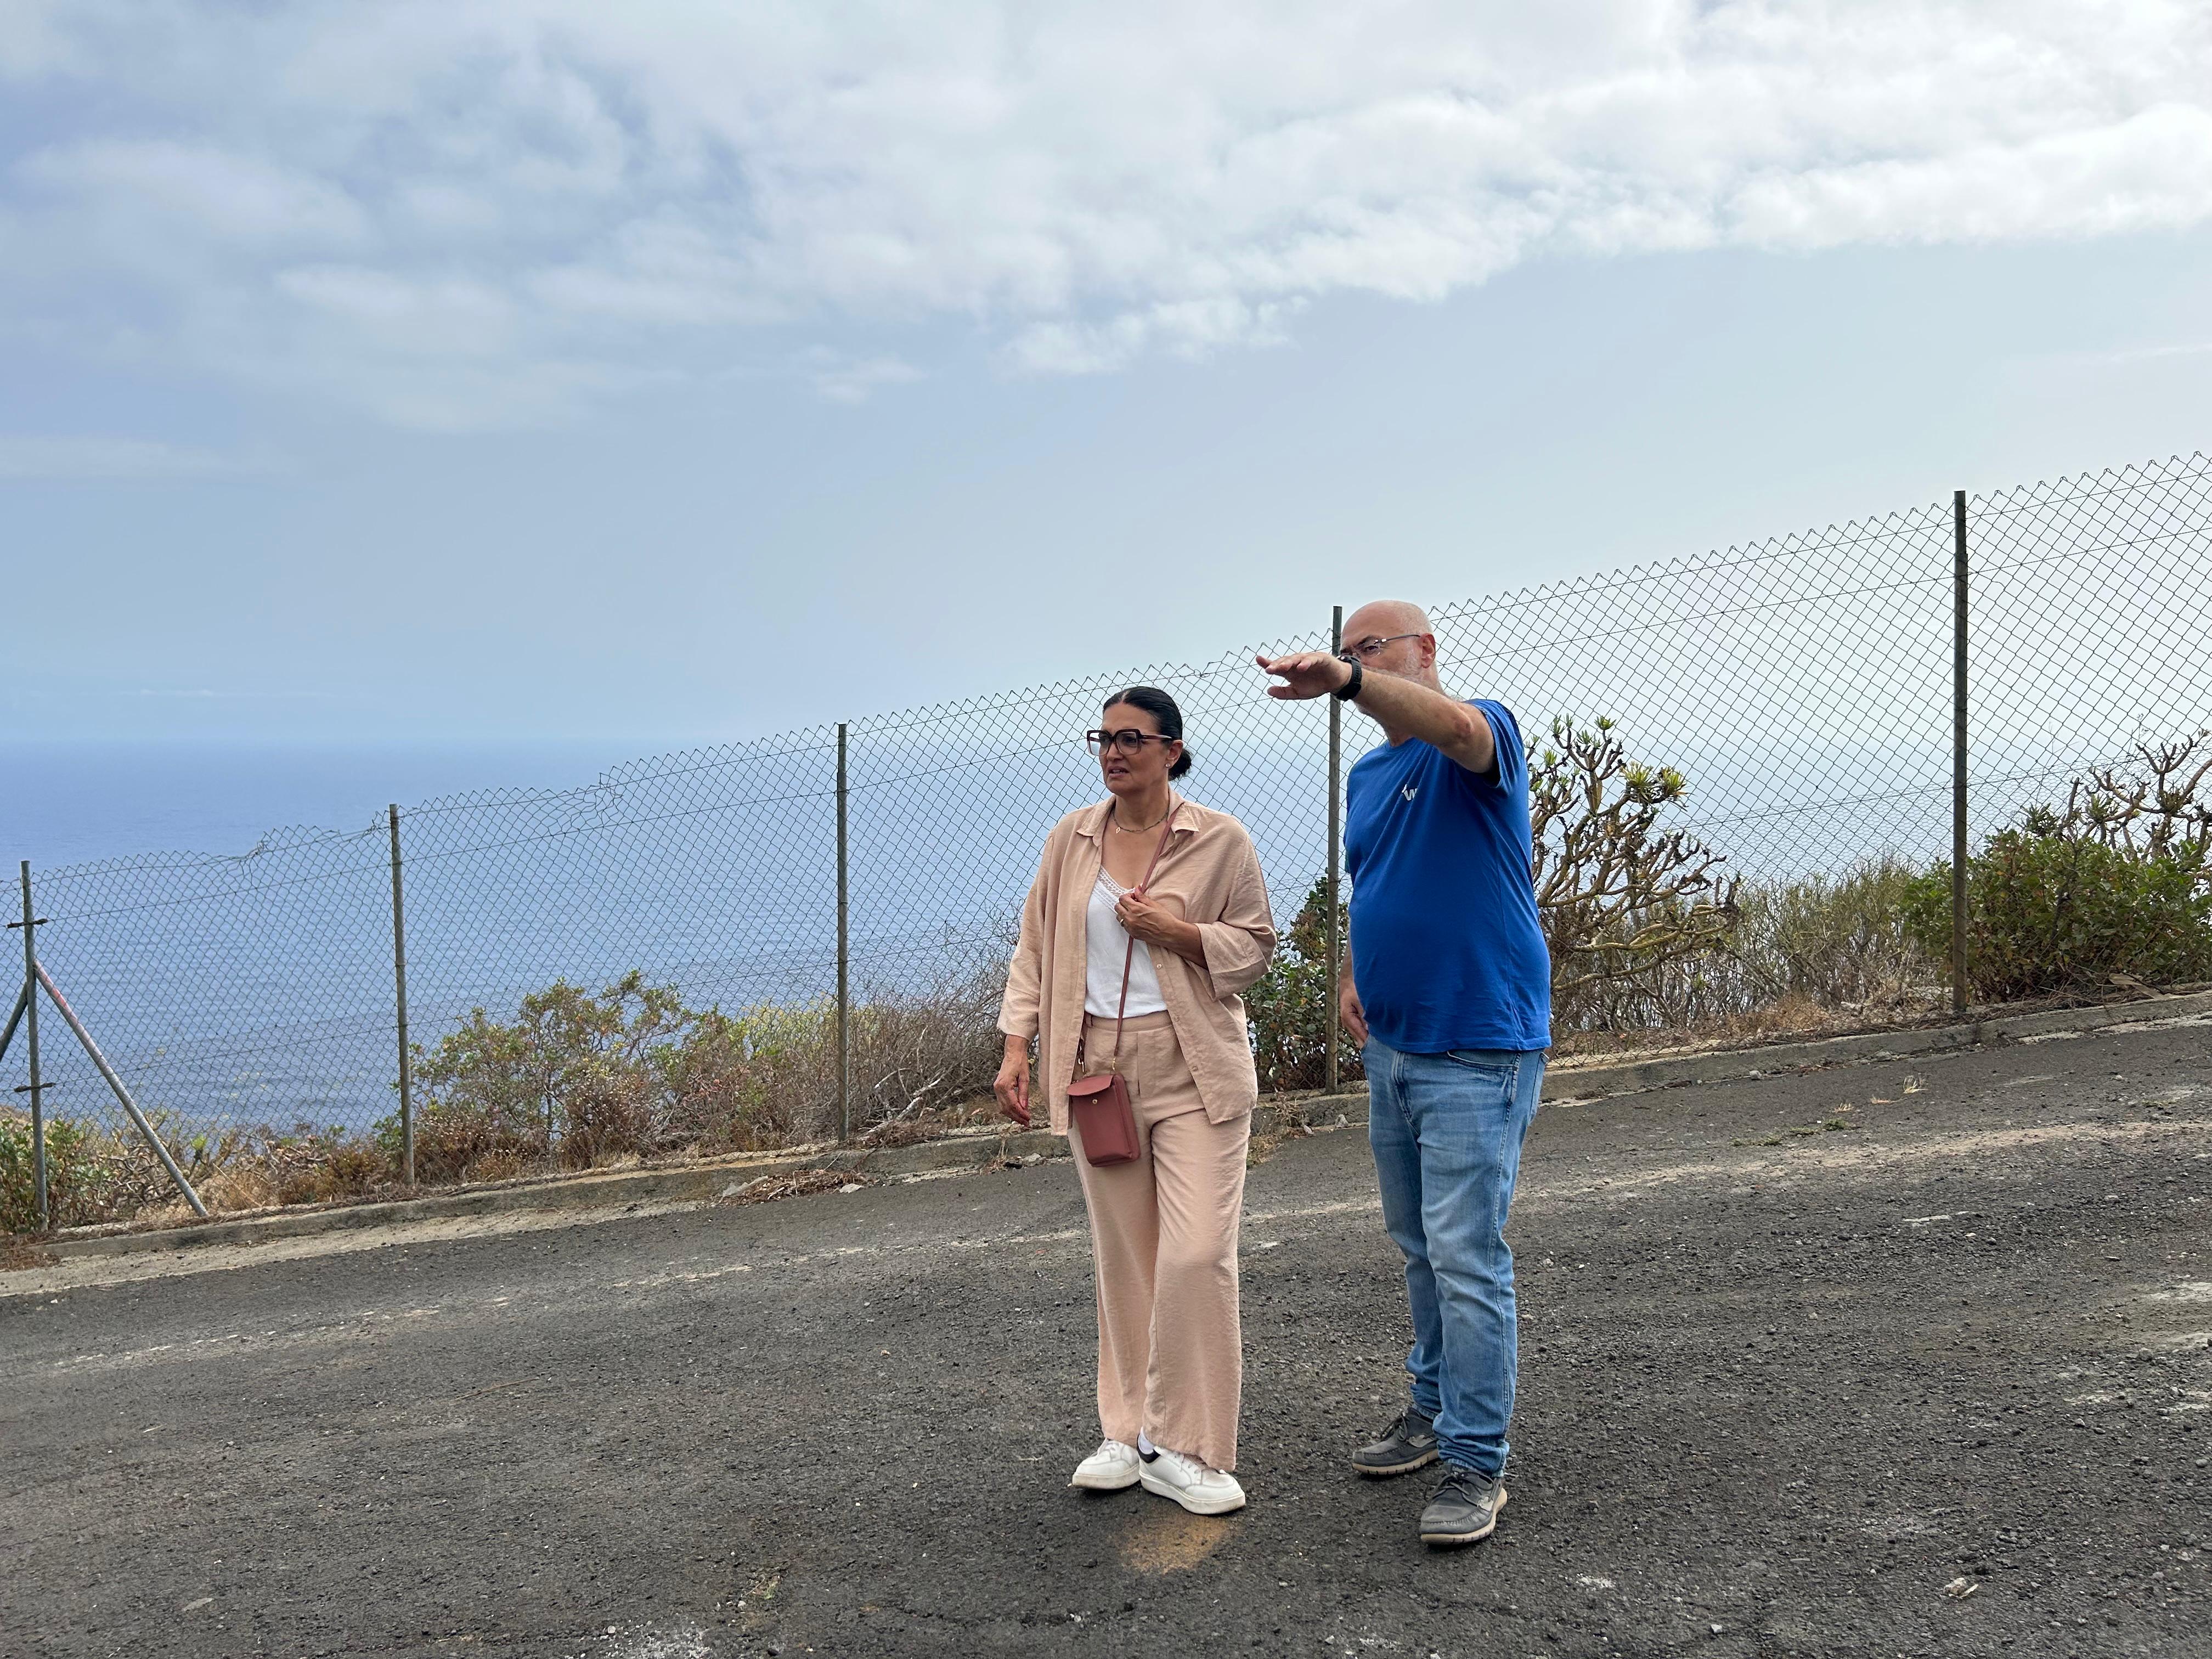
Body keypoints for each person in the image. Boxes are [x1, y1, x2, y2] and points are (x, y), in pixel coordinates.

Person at [1258, 603, 1550, 1548]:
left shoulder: (1481, 731)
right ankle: (1432, 1413)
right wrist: (1353, 969)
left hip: (1476, 1043)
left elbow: (1459, 730)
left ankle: (1477, 1461)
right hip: (1396, 1046)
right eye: (1348, 655)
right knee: (1421, 1246)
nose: (1354, 663)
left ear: (1425, 653)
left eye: (1369, 650)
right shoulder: (1372, 774)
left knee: (1467, 1254)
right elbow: (1370, 877)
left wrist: (1343, 683)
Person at [995, 686, 1278, 1516]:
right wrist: (1019, 1045)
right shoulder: (1071, 839)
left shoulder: (1220, 839)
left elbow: (1256, 946)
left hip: (1194, 1066)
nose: (1113, 752)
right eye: (1103, 739)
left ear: (1172, 750)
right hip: (1097, 1073)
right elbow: (1036, 947)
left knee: (1195, 1256)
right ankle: (1127, 1432)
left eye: (1131, 739)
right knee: (1125, 1257)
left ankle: (1190, 1447)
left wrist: (1178, 934)